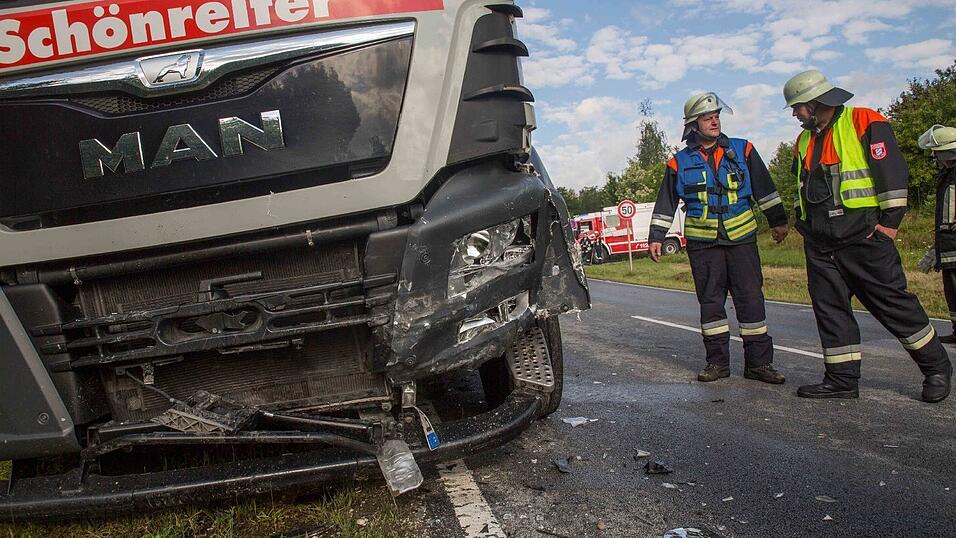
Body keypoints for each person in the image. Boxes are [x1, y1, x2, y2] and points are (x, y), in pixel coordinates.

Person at [783, 70, 952, 403]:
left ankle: (937, 367)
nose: (795, 114)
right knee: (831, 312)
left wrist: (890, 225)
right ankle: (841, 380)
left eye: (797, 107)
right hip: (820, 242)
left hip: (864, 236)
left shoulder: (863, 121)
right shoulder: (803, 141)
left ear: (815, 102)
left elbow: (892, 172)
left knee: (893, 305)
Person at [649, 92, 789, 384]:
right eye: (707, 118)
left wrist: (778, 221)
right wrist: (656, 236)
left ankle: (759, 365)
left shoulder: (743, 149)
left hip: (741, 240)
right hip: (703, 246)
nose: (714, 121)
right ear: (693, 125)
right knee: (711, 304)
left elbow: (765, 188)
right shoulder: (678, 163)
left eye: (716, 116)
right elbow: (666, 203)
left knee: (751, 301)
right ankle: (717, 364)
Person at [918, 124, 956, 343]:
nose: (934, 158)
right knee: (952, 288)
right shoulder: (946, 174)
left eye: (936, 153)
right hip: (948, 241)